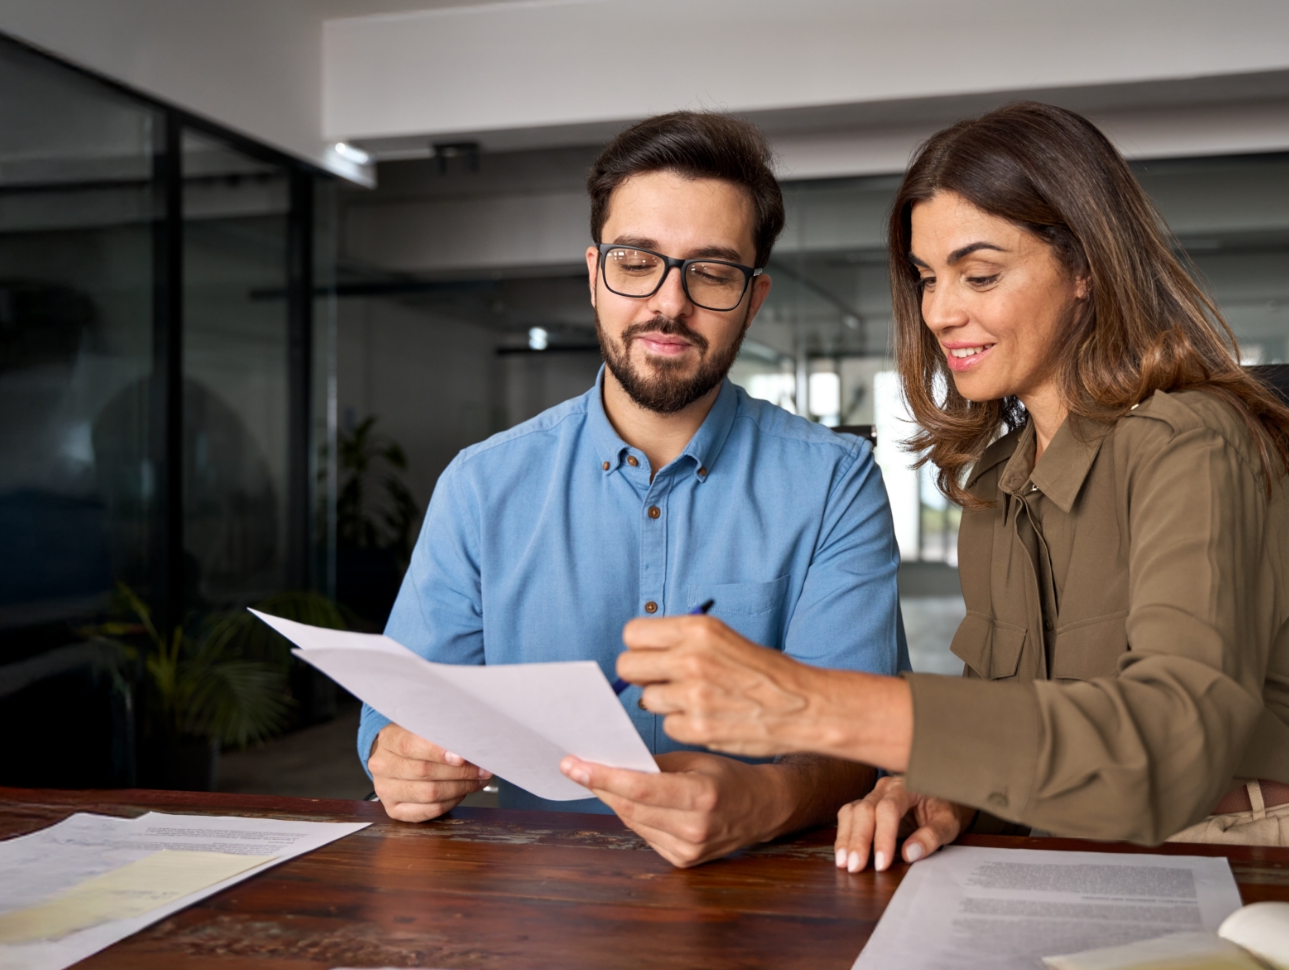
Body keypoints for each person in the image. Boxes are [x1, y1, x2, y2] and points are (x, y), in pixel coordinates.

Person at [614, 102, 1289, 874]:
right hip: (1100, 852)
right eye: (928, 279)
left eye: (981, 274)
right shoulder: (998, 486)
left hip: (1281, 846)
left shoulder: (1193, 441)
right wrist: (946, 789)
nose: (941, 312)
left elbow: (1170, 749)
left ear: (1085, 269)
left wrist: (814, 705)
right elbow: (1028, 734)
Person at [358, 111, 907, 868]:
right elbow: (397, 713)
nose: (669, 303)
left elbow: (859, 742)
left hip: (768, 903)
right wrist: (397, 757)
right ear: (594, 275)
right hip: (534, 906)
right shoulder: (482, 486)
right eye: (637, 260)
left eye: (711, 272)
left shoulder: (834, 483)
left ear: (754, 298)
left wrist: (761, 801)